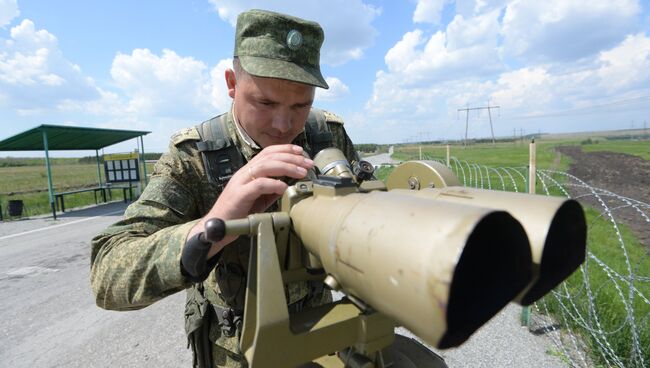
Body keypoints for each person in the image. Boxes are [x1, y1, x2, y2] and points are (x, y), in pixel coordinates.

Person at [90, 9, 362, 368]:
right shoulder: (193, 156)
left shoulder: (327, 136)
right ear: (231, 83)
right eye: (265, 102)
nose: (283, 124)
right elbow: (108, 274)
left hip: (320, 340)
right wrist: (215, 224)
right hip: (236, 352)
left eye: (301, 105)